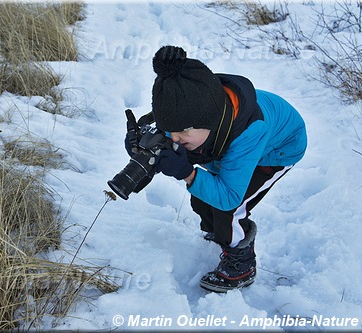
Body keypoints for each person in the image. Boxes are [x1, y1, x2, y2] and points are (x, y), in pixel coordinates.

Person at [126, 45, 307, 293]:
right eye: (171, 131)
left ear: (208, 121)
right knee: (201, 200)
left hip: (275, 151)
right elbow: (175, 137)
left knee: (229, 208)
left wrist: (187, 173)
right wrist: (143, 153)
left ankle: (241, 263)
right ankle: (219, 235)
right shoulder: (187, 110)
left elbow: (229, 195)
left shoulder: (249, 133)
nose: (175, 138)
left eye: (182, 132)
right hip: (224, 144)